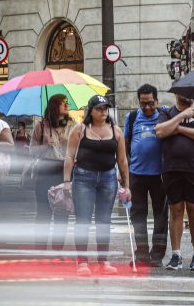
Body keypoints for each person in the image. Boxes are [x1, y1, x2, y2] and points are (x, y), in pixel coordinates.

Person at [64, 95, 130, 276]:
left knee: (104, 221)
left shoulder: (116, 131)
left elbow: (122, 160)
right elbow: (69, 156)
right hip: (84, 178)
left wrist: (127, 186)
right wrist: (66, 182)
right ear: (90, 111)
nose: (103, 111)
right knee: (83, 221)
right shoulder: (80, 129)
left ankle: (103, 261)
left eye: (105, 108)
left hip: (109, 179)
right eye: (99, 108)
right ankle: (82, 262)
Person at [155, 93, 194, 272]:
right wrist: (181, 117)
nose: (186, 94)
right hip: (171, 168)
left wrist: (178, 129)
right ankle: (176, 255)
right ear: (176, 93)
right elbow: (160, 131)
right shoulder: (167, 112)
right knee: (176, 210)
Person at [124, 84, 168, 268]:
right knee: (137, 215)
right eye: (143, 104)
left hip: (160, 175)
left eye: (150, 103)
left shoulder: (165, 114)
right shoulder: (132, 117)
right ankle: (141, 252)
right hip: (137, 174)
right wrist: (124, 172)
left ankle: (157, 254)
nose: (147, 107)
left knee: (161, 215)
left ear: (157, 101)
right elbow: (125, 144)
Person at [29, 94, 74, 253]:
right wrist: (45, 146)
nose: (66, 105)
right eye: (63, 103)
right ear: (55, 106)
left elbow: (78, 150)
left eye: (67, 103)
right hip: (45, 170)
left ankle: (57, 251)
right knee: (43, 212)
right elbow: (31, 151)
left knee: (62, 212)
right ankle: (40, 249)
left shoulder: (73, 126)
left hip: (65, 171)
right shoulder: (41, 127)